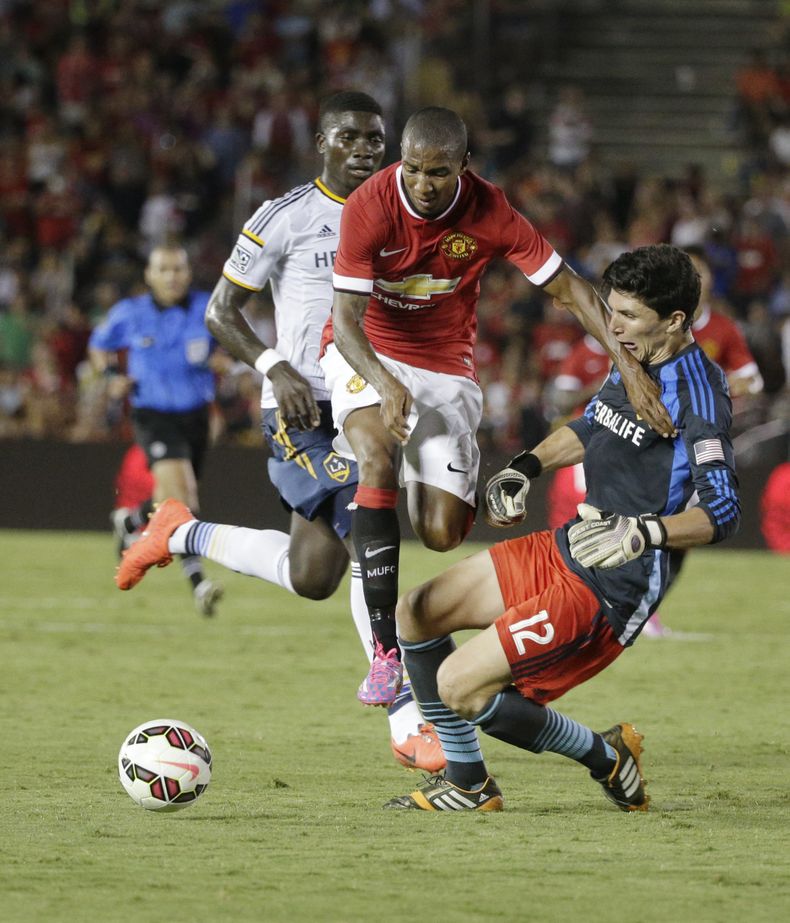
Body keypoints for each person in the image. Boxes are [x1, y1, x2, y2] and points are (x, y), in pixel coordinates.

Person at [114, 91, 444, 772]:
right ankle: (405, 716)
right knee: (366, 515)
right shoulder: (285, 217)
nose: (363, 149)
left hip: (368, 400)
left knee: (314, 574)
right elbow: (221, 310)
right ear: (321, 139)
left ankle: (178, 531)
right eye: (350, 136)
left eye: (375, 140)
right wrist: (275, 365)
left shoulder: (397, 213)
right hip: (301, 411)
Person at [320, 106, 675, 708]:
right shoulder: (370, 206)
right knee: (375, 457)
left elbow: (568, 289)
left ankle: (416, 468)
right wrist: (384, 380)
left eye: (437, 172)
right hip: (369, 352)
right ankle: (384, 654)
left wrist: (629, 368)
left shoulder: (491, 210)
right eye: (411, 169)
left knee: (441, 534)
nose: (422, 184)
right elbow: (345, 322)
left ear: (463, 166)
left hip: (445, 367)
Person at [382, 244, 740, 812]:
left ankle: (604, 757)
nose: (612, 326)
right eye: (611, 310)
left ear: (674, 321)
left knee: (458, 686)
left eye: (627, 316)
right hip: (571, 543)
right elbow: (595, 425)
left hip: (612, 584)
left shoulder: (699, 393)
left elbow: (722, 511)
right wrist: (525, 467)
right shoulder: (634, 359)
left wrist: (646, 533)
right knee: (417, 609)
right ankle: (470, 784)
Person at [89, 244, 223, 615]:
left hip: (195, 416)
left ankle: (131, 519)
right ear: (149, 275)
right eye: (163, 269)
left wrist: (224, 361)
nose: (171, 276)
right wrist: (112, 375)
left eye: (178, 269)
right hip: (153, 415)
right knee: (183, 498)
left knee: (169, 500)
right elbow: (99, 347)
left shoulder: (206, 307)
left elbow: (224, 346)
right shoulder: (130, 313)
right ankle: (199, 582)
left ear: (188, 272)